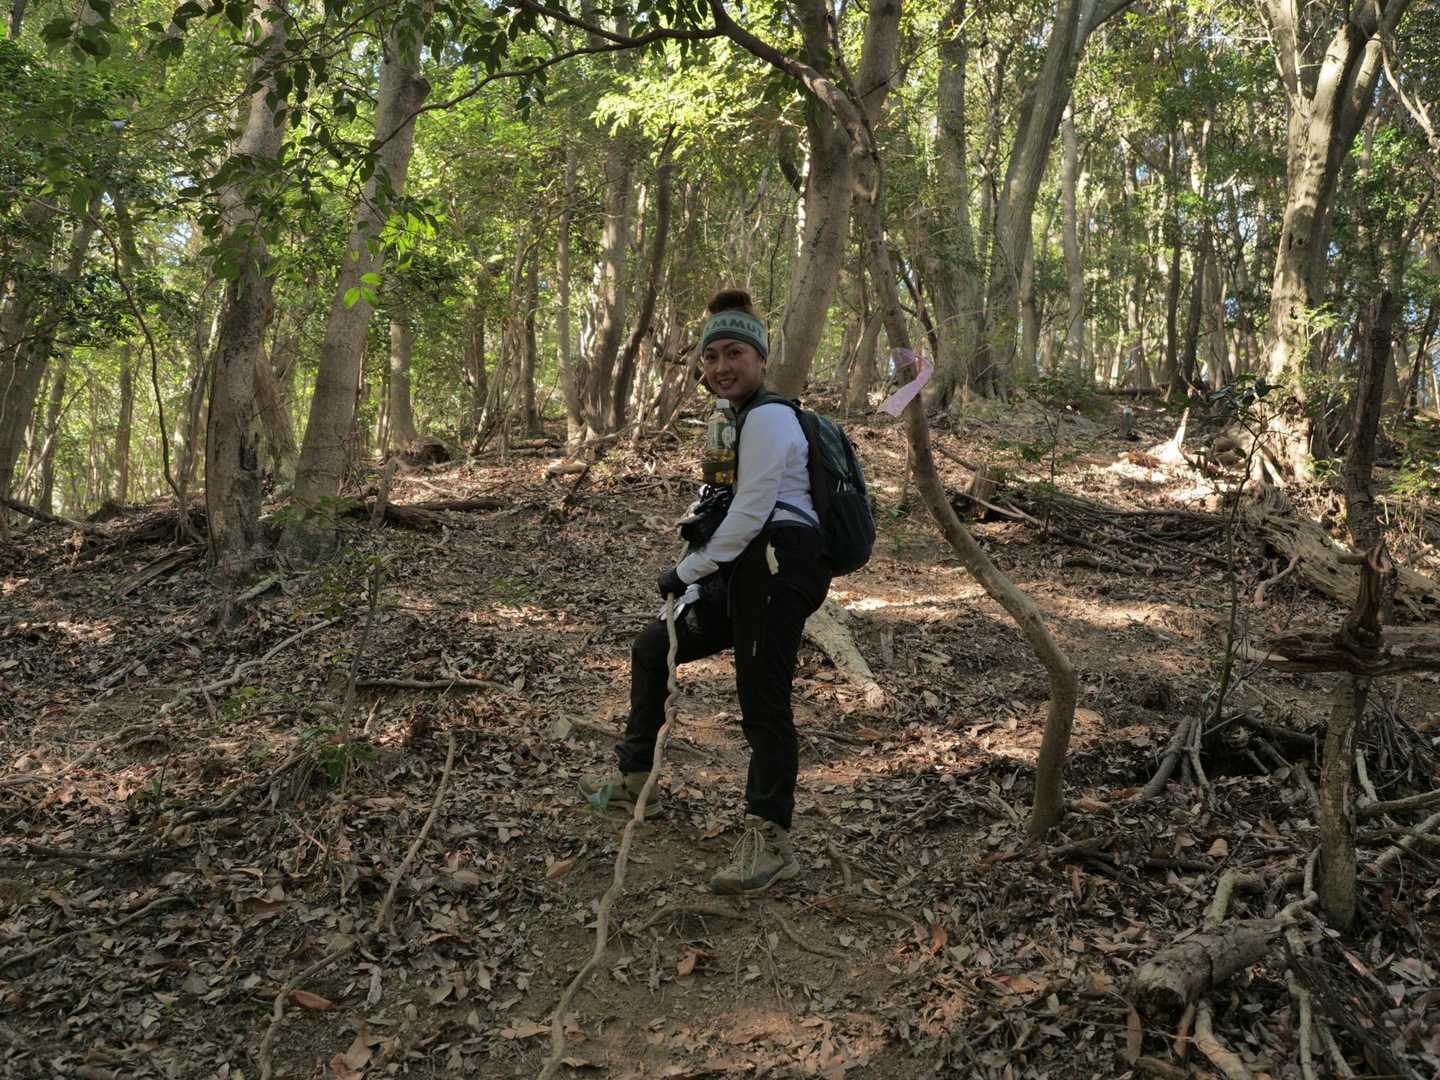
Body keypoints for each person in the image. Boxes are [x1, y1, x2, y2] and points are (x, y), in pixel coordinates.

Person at [580, 289, 833, 895]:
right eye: (711, 356)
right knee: (654, 647)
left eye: (735, 353)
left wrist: (688, 572)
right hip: (744, 569)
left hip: (776, 569)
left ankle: (771, 840)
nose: (722, 366)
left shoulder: (769, 417)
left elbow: (752, 511)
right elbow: (727, 505)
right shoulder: (732, 419)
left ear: (761, 358)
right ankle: (636, 780)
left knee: (762, 701)